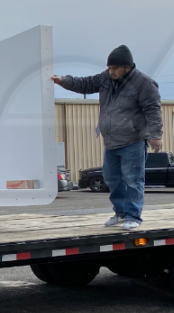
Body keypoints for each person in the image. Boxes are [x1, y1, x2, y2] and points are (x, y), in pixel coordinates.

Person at [52, 45, 162, 230]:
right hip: (111, 140)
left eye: (115, 68)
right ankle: (120, 213)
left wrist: (156, 135)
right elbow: (85, 83)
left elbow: (153, 110)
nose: (111, 71)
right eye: (109, 67)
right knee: (112, 179)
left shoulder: (144, 84)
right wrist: (62, 80)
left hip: (133, 140)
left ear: (127, 67)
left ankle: (133, 216)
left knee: (132, 179)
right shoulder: (105, 78)